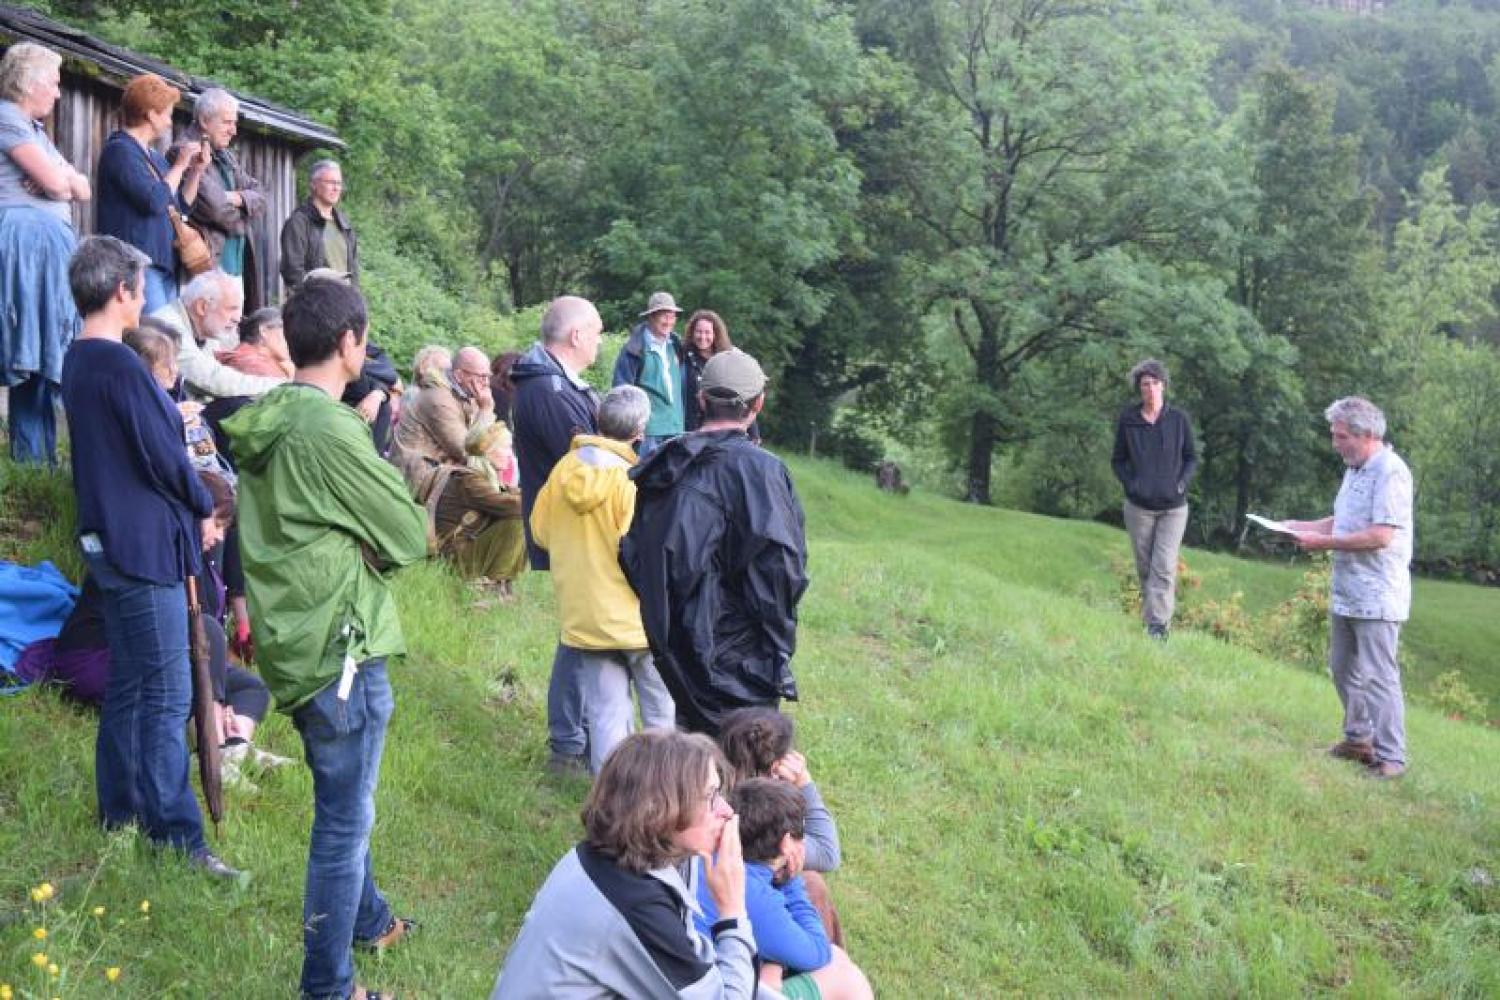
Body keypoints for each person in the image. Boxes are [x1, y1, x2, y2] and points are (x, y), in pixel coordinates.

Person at [223, 276, 428, 999]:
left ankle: (369, 922)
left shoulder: (271, 412)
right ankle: (328, 989)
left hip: (291, 638)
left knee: (347, 799)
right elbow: (407, 533)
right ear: (349, 344)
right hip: (338, 647)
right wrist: (362, 540)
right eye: (364, 339)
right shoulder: (328, 427)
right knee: (343, 823)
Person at [59, 234, 239, 879]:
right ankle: (177, 840)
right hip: (141, 548)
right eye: (139, 286)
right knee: (166, 694)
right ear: (121, 291)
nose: (143, 297)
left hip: (113, 540)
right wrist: (203, 499)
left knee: (133, 684)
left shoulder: (78, 359)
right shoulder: (119, 365)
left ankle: (122, 811)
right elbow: (164, 457)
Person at [622, 350, 808, 737]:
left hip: (674, 647)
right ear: (758, 404)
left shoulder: (664, 463)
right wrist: (776, 649)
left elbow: (636, 556)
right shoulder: (760, 471)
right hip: (740, 658)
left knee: (695, 760)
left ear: (701, 399)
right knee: (738, 768)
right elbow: (780, 572)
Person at [490, 730, 756, 999]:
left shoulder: (613, 858)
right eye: (710, 796)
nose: (726, 811)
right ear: (659, 809)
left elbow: (699, 970)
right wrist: (732, 911)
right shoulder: (635, 901)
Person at [530, 385, 677, 775]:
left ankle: (611, 808)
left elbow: (541, 532)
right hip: (637, 622)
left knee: (607, 717)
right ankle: (665, 800)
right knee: (661, 715)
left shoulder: (564, 469)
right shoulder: (631, 481)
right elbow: (643, 554)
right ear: (640, 432)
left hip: (586, 619)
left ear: (598, 418)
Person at [1287, 396, 1413, 780]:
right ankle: (1358, 740)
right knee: (1342, 669)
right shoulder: (1355, 469)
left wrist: (1322, 544)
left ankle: (1391, 758)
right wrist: (1302, 526)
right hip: (1347, 591)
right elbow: (1342, 520)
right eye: (1334, 435)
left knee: (1378, 675)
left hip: (1378, 594)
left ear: (1367, 435)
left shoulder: (1390, 471)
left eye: (1341, 436)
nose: (1335, 443)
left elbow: (1380, 535)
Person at [512, 296, 602, 774]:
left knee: (583, 632)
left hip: (575, 524)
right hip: (572, 526)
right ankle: (568, 744)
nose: (600, 343)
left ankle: (577, 736)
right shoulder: (550, 390)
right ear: (575, 336)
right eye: (597, 332)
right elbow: (591, 460)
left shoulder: (551, 382)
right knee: (581, 635)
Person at [697, 780, 873, 1000]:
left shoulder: (709, 855)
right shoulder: (755, 896)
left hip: (702, 974)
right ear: (787, 843)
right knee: (845, 976)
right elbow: (819, 952)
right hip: (723, 989)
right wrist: (791, 879)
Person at [0, 42, 90, 464]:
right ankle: (30, 460)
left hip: (48, 248)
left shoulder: (36, 132)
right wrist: (61, 180)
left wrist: (64, 176)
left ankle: (38, 461)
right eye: (53, 84)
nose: (57, 94)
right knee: (31, 347)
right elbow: (57, 187)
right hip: (27, 249)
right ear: (29, 83)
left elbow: (82, 189)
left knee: (46, 347)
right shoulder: (6, 118)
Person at [718, 707, 842, 946]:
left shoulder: (709, 789)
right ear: (777, 768)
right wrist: (804, 781)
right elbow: (828, 854)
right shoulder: (766, 816)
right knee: (813, 885)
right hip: (747, 917)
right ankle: (829, 976)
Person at [94, 73, 209, 313]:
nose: (169, 122)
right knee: (152, 339)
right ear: (150, 114)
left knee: (166, 341)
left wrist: (196, 172)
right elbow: (154, 201)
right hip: (137, 265)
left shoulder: (153, 156)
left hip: (163, 264)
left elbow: (179, 206)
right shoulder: (120, 151)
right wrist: (179, 165)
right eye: (166, 113)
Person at [1110, 358, 1197, 641]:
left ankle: (1158, 627)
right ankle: (1151, 622)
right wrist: (1131, 485)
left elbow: (1191, 458)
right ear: (1139, 389)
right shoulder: (1129, 420)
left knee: (1164, 566)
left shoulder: (1178, 420)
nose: (1150, 389)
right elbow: (1118, 460)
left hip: (1173, 508)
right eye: (1145, 384)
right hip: (1139, 508)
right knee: (1145, 567)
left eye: (1155, 383)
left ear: (1164, 386)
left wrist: (1181, 483)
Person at [171, 88, 265, 309]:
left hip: (234, 269)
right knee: (212, 340)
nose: (233, 130)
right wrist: (245, 212)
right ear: (204, 120)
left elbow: (262, 195)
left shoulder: (225, 155)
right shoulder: (184, 152)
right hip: (207, 271)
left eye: (234, 123)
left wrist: (234, 198)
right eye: (227, 122)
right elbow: (215, 210)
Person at [151, 269, 284, 402]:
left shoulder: (204, 329)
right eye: (231, 309)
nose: (237, 318)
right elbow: (214, 380)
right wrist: (282, 386)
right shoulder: (167, 327)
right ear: (202, 307)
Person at [431, 420, 527, 596]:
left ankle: (502, 583)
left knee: (526, 514)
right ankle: (493, 586)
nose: (509, 454)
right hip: (453, 560)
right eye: (506, 447)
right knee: (518, 519)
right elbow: (509, 505)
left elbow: (511, 493)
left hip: (464, 550)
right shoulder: (470, 480)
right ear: (487, 451)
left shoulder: (482, 476)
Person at [391, 344, 494, 502]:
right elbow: (467, 450)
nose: (486, 383)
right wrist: (485, 410)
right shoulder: (439, 399)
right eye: (481, 376)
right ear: (459, 375)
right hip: (415, 483)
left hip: (434, 476)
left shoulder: (462, 397)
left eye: (488, 376)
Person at [613, 291, 689, 457]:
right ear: (651, 317)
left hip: (676, 428)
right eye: (664, 316)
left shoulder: (675, 344)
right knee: (645, 480)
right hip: (648, 433)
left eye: (672, 316)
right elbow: (622, 391)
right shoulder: (634, 349)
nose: (669, 321)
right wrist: (631, 426)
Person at [280, 159, 359, 290]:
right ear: (314, 185)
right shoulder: (299, 222)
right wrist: (316, 298)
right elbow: (292, 271)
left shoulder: (344, 224)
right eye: (331, 182)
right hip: (316, 304)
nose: (336, 188)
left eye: (339, 183)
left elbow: (354, 270)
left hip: (345, 301)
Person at [682, 309, 759, 442]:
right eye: (699, 331)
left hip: (722, 430)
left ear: (716, 334)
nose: (702, 336)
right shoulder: (684, 357)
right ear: (692, 332)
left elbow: (743, 395)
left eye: (707, 332)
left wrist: (753, 432)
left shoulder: (729, 360)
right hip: (691, 430)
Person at [218, 306, 295, 379]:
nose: (293, 340)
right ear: (264, 331)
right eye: (287, 331)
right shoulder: (251, 363)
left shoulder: (266, 361)